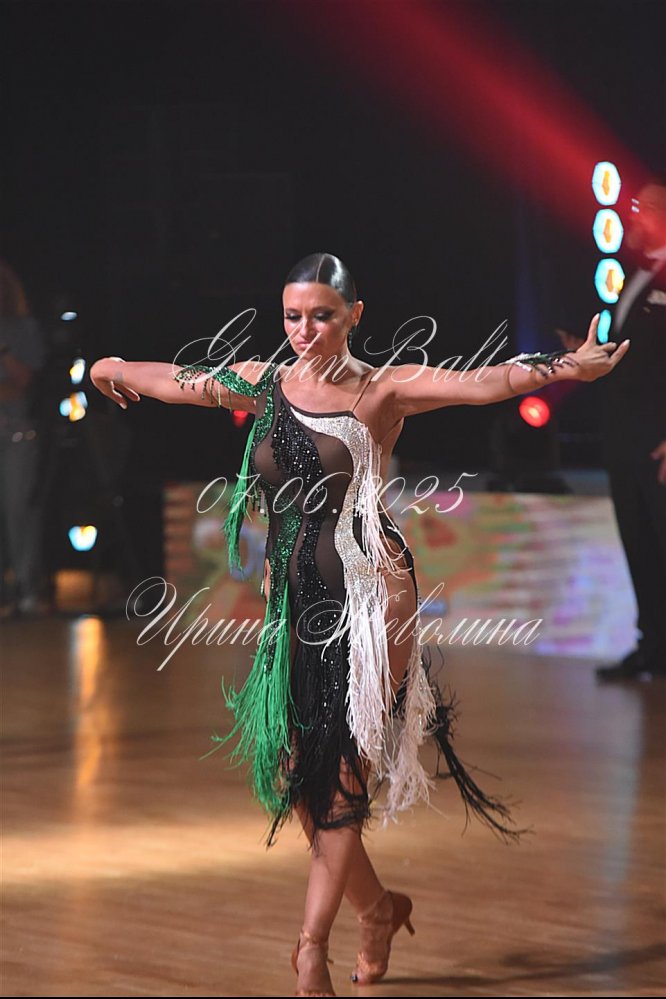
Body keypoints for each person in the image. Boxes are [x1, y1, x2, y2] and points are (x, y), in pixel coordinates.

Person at [90, 253, 628, 997]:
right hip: (296, 605)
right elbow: (181, 381)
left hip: (375, 600)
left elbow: (485, 382)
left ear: (354, 315)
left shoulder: (384, 389)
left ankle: (310, 947)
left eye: (322, 316)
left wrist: (566, 367)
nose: (305, 331)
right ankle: (378, 910)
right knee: (299, 779)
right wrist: (114, 366)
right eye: (292, 316)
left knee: (342, 779)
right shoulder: (264, 382)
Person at [558, 174, 666, 682]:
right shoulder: (635, 275)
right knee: (640, 545)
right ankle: (653, 648)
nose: (634, 216)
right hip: (625, 439)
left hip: (660, 444)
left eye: (645, 208)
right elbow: (639, 359)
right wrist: (589, 354)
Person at [0, 260, 49, 618]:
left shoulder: (23, 328)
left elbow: (23, 383)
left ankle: (28, 589)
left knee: (20, 514)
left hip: (17, 433)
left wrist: (3, 351)